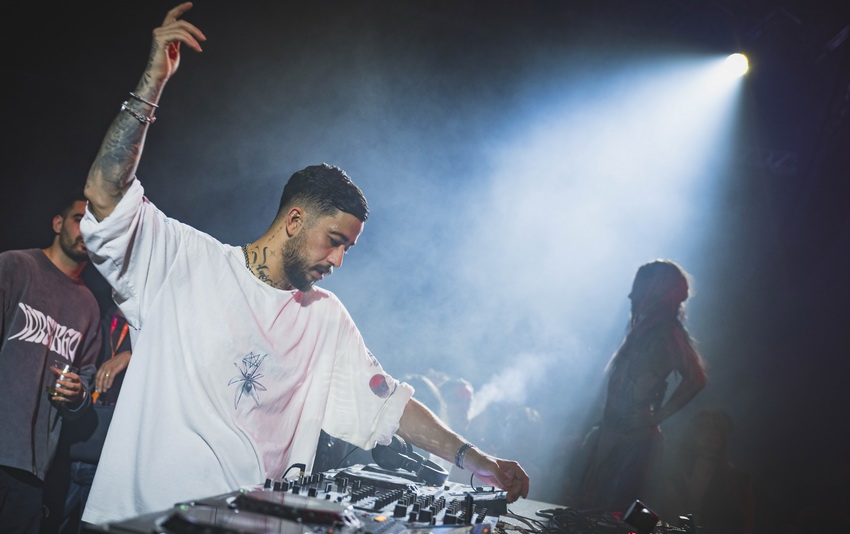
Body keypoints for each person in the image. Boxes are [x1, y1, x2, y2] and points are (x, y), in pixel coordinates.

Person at [78, 3, 529, 525]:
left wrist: (477, 461)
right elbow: (104, 192)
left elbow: (390, 407)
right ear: (294, 220)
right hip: (141, 522)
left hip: (245, 524)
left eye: (347, 249)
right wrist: (151, 85)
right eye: (334, 241)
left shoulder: (324, 318)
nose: (338, 260)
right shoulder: (182, 259)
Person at [0, 197, 100, 534]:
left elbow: (84, 389)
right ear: (58, 223)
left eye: (95, 224)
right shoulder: (15, 266)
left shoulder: (89, 306)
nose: (87, 230)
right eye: (79, 219)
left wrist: (77, 396)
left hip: (33, 466)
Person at [578, 259, 707, 512]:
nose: (631, 295)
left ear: (655, 290)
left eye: (638, 287)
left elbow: (697, 378)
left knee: (613, 515)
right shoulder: (646, 329)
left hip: (632, 441)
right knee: (595, 511)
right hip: (615, 435)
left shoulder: (667, 331)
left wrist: (657, 416)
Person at [42, 303, 132, 534]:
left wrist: (131, 355)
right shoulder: (94, 316)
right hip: (69, 448)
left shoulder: (145, 332)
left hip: (108, 459)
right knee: (49, 524)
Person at [659, 409, 754, 534]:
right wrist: (693, 502)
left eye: (717, 429)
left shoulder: (741, 482)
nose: (711, 434)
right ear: (693, 435)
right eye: (704, 428)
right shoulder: (676, 481)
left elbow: (748, 525)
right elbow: (674, 528)